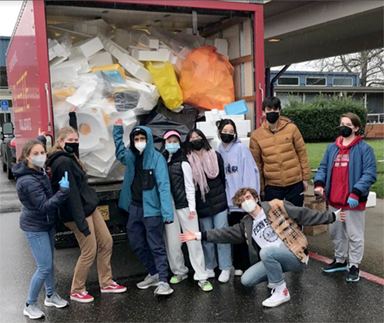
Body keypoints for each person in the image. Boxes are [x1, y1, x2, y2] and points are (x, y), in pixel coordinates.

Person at [179, 188, 346, 308]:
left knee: (266, 252)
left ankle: (281, 291)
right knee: (246, 280)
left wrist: (332, 216)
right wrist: (199, 235)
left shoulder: (276, 206)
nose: (246, 202)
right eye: (242, 201)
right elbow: (225, 233)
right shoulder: (246, 224)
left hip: (295, 255)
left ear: (256, 198)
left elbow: (304, 214)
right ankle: (276, 278)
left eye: (247, 197)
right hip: (274, 259)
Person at [47, 117, 126, 304]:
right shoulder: (62, 163)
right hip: (77, 213)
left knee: (106, 241)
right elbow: (71, 195)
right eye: (70, 141)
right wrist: (82, 223)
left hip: (88, 207)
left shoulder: (71, 156)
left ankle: (106, 282)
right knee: (89, 250)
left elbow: (72, 138)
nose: (74, 144)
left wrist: (72, 118)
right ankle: (77, 289)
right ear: (60, 142)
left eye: (76, 141)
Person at [113, 119, 174, 296]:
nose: (139, 141)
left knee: (157, 245)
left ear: (148, 139)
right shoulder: (131, 157)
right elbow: (119, 152)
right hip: (135, 208)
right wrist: (118, 131)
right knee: (136, 242)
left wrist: (166, 212)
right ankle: (153, 273)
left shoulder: (157, 158)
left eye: (142, 138)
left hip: (152, 210)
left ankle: (164, 281)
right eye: (136, 138)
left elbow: (163, 186)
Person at [314, 112, 376, 282]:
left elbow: (370, 173)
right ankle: (340, 260)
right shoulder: (332, 148)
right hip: (334, 200)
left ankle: (354, 265)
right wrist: (319, 184)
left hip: (352, 201)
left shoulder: (365, 149)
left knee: (355, 235)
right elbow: (323, 167)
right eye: (341, 123)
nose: (343, 127)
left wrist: (356, 191)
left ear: (356, 128)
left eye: (348, 125)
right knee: (336, 233)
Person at [12, 140, 70, 319]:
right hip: (35, 226)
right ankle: (30, 304)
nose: (40, 156)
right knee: (44, 266)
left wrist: (42, 137)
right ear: (27, 156)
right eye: (35, 153)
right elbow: (44, 205)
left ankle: (51, 295)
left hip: (46, 224)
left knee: (49, 262)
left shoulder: (39, 171)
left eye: (42, 152)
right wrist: (63, 191)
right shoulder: (28, 180)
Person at [162, 130, 213, 292]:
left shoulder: (183, 162)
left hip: (185, 207)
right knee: (172, 242)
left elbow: (190, 187)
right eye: (169, 141)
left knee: (193, 241)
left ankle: (201, 276)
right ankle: (179, 271)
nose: (171, 144)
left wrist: (192, 208)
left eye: (175, 141)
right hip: (170, 209)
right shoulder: (163, 161)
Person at [185, 129, 232, 283]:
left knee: (222, 235)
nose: (196, 140)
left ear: (204, 139)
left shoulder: (215, 156)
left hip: (219, 203)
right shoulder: (188, 161)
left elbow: (223, 179)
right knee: (206, 238)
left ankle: (225, 267)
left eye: (198, 137)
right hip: (202, 205)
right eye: (192, 138)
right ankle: (210, 266)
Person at [217, 119, 260, 276]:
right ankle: (236, 264)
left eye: (230, 131)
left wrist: (247, 198)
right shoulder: (218, 150)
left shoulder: (241, 149)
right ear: (219, 131)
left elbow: (249, 172)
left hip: (241, 203)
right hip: (227, 203)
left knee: (245, 234)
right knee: (234, 234)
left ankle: (246, 265)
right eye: (225, 131)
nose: (227, 134)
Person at [250, 96, 310, 206]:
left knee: (296, 217)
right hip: (273, 185)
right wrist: (261, 187)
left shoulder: (291, 128)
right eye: (269, 109)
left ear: (279, 111)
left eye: (275, 109)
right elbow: (257, 164)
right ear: (263, 112)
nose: (272, 112)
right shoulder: (256, 136)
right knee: (275, 219)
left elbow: (302, 152)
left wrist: (305, 178)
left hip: (294, 182)